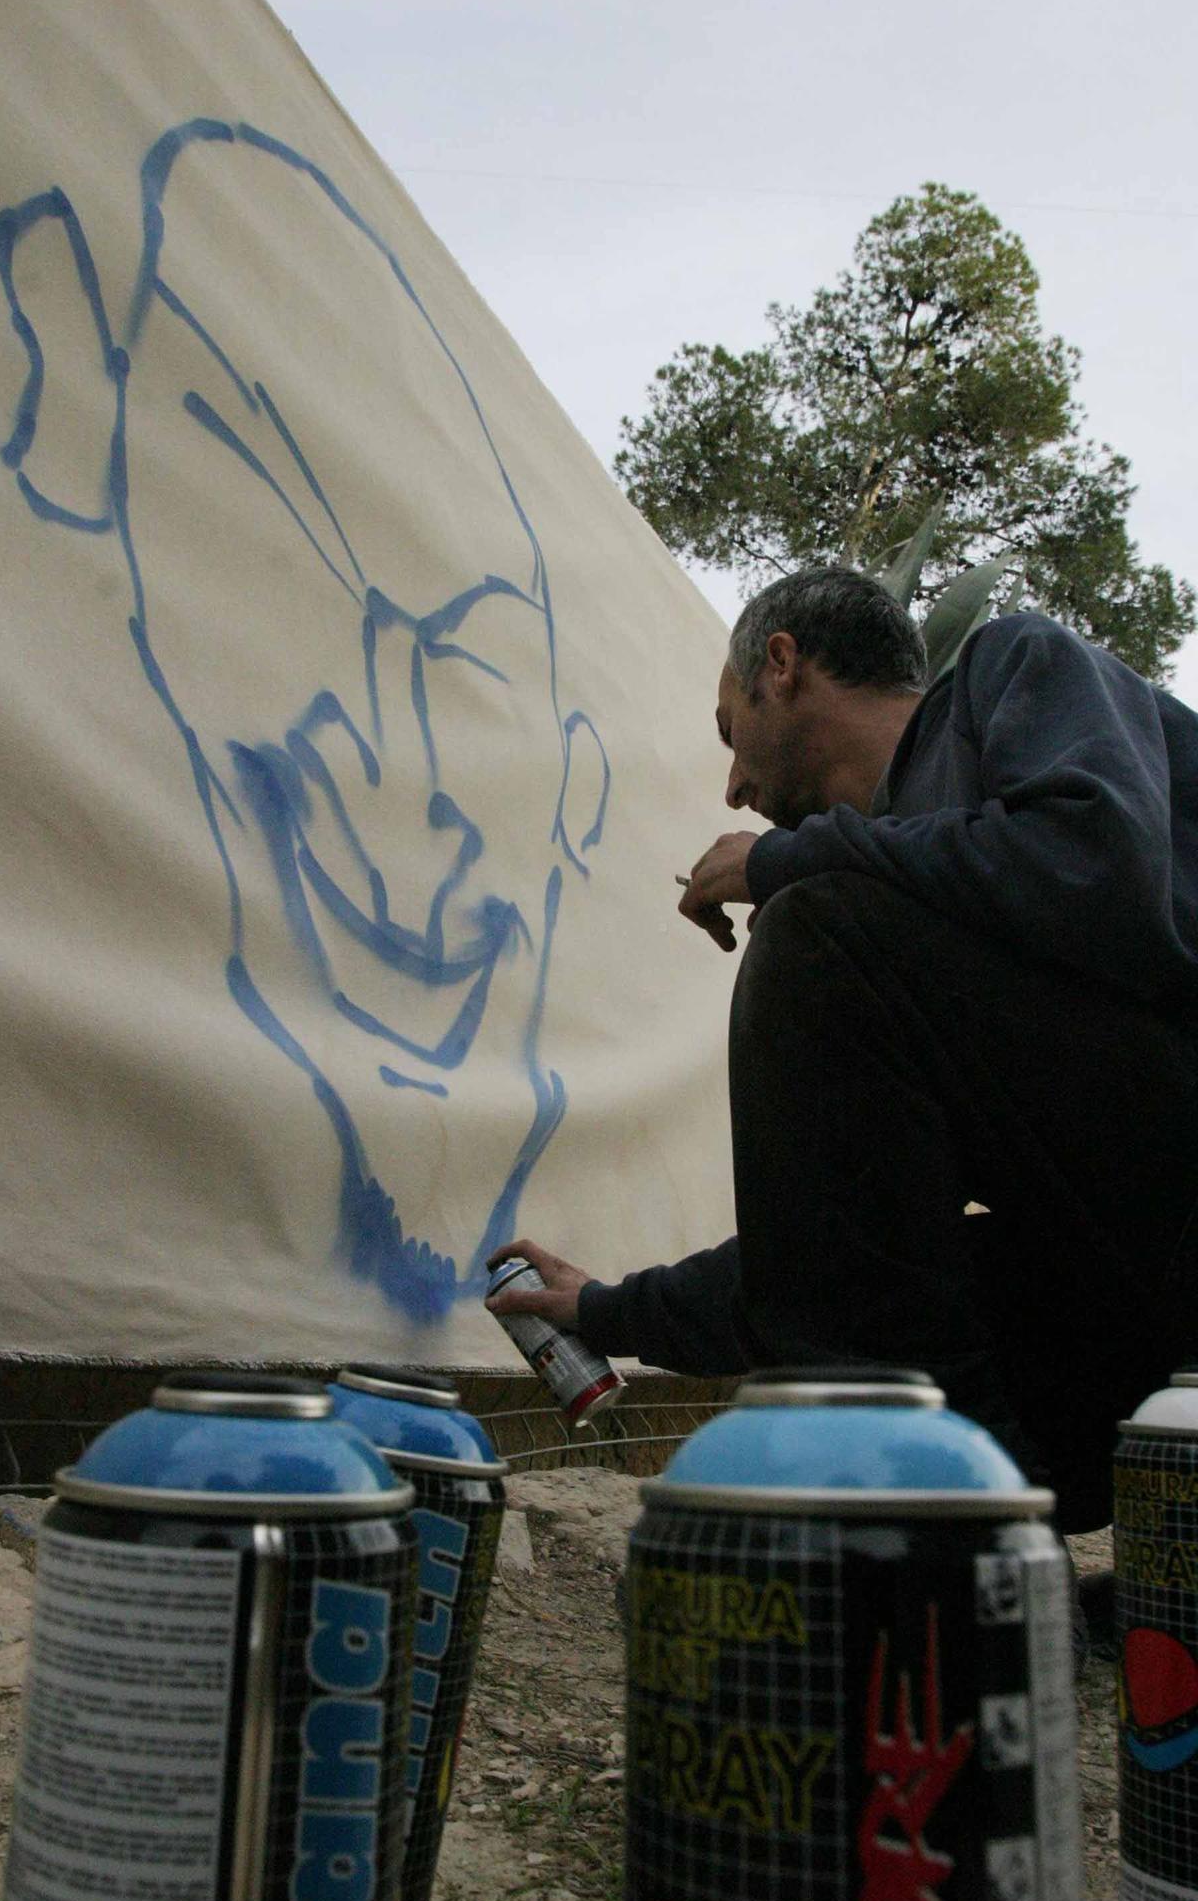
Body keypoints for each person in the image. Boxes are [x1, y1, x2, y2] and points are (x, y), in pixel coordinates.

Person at [487, 564, 1198, 1533]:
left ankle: (940, 1521)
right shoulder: (898, 922)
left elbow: (1093, 863)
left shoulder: (1011, 665)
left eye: (729, 731)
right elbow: (834, 1261)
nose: (732, 781)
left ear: (780, 665)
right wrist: (608, 1310)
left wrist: (779, 860)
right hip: (1141, 1268)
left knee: (813, 932)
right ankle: (982, 1532)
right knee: (920, 1300)